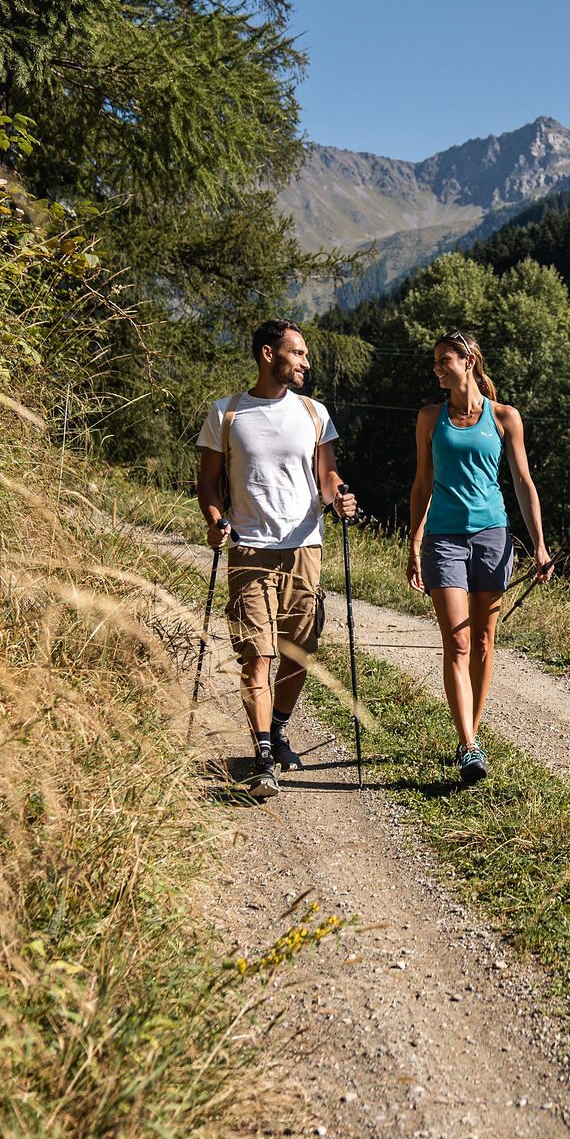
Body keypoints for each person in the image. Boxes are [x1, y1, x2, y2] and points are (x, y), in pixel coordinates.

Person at [196, 318, 357, 798]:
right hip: (249, 549)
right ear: (269, 354)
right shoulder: (226, 414)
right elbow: (207, 482)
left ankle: (280, 726)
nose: (306, 362)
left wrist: (340, 496)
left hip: (305, 547)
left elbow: (326, 476)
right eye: (299, 353)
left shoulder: (313, 413)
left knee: (297, 653)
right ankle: (264, 753)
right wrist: (214, 517)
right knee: (257, 656)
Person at [407, 330, 550, 784]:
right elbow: (421, 483)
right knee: (458, 642)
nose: (436, 368)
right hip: (444, 539)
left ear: (468, 361)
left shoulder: (505, 417)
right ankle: (469, 744)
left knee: (485, 643)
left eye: (443, 360)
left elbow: (524, 484)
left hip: (493, 537)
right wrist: (414, 540)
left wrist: (540, 545)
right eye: (434, 361)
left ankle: (471, 734)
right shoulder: (430, 418)